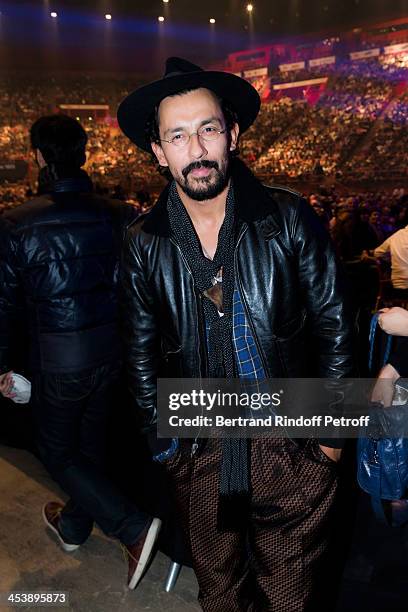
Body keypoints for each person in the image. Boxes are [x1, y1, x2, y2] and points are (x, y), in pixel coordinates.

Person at [117, 57, 353, 611]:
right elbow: (139, 348)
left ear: (234, 135)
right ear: (159, 152)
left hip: (292, 430)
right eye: (177, 136)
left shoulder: (290, 218)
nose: (196, 150)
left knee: (290, 593)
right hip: (198, 437)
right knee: (219, 591)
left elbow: (335, 326)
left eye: (209, 129)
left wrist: (331, 441)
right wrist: (166, 442)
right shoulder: (142, 242)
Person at [0, 115, 160, 590]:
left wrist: (4, 366)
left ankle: (130, 527)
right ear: (84, 156)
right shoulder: (120, 212)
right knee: (87, 448)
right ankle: (73, 525)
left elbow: (5, 307)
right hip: (114, 356)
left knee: (56, 448)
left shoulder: (15, 224)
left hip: (60, 359)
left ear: (38, 158)